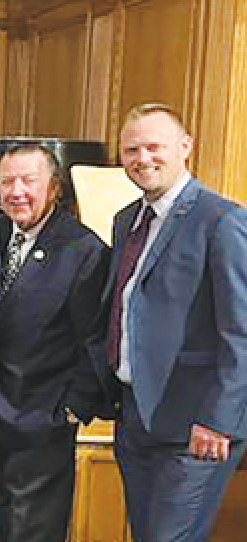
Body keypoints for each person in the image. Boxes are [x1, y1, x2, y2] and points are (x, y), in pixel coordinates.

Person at [105, 103, 247, 541]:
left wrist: (218, 420)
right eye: (131, 150)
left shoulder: (221, 220)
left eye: (154, 147)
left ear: (185, 147)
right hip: (135, 419)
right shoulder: (125, 220)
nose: (142, 158)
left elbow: (242, 333)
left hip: (196, 427)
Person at [0, 143, 109, 542]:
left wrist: (71, 409)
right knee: (2, 525)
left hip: (42, 422)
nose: (17, 192)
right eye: (6, 182)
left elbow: (95, 338)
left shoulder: (84, 250)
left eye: (28, 181)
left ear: (54, 187)